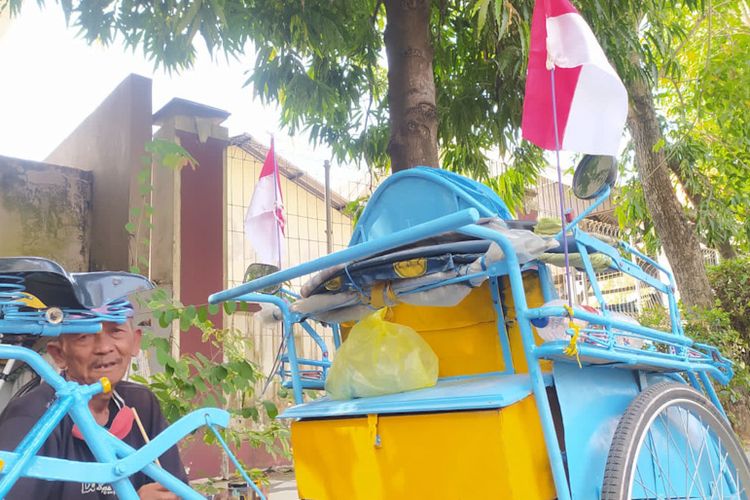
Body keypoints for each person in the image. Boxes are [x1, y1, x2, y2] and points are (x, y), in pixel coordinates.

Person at [0, 311, 187, 499]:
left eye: (116, 331)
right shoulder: (31, 416)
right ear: (59, 354)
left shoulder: (141, 404)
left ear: (135, 341)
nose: (104, 348)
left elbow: (175, 490)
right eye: (84, 336)